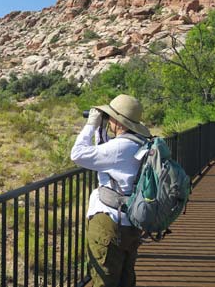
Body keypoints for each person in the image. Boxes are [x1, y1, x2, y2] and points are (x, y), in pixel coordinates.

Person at [70, 94, 151, 287]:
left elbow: (77, 154)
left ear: (117, 121)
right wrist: (101, 131)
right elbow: (109, 154)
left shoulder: (121, 147)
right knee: (125, 278)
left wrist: (91, 125)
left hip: (110, 222)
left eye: (110, 117)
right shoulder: (139, 142)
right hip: (131, 221)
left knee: (104, 279)